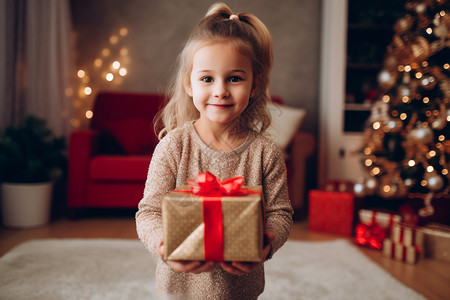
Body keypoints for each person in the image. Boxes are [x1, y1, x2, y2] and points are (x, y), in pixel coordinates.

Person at [136, 2, 293, 299]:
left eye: (234, 78)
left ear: (255, 85)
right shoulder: (173, 146)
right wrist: (163, 247)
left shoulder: (265, 153)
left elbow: (280, 213)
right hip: (178, 291)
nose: (220, 90)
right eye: (207, 78)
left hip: (241, 291)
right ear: (189, 85)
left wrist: (267, 244)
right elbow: (149, 212)